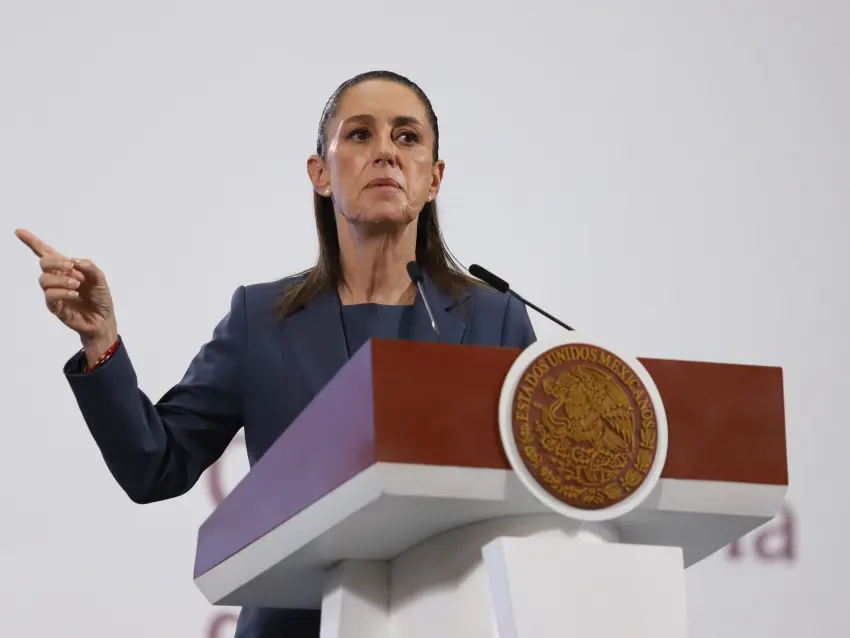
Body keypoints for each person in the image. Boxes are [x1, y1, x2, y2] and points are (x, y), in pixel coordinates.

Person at [15, 70, 536, 638]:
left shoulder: (495, 319)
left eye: (407, 137)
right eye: (360, 134)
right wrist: (101, 340)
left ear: (434, 178)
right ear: (320, 173)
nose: (386, 151)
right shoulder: (260, 320)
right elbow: (154, 466)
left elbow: (537, 494)